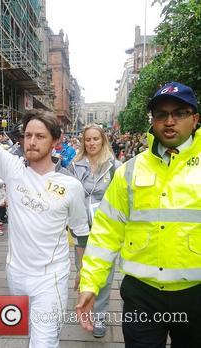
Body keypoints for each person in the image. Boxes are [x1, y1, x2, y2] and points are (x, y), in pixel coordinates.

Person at [0, 55, 89, 347]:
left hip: (51, 279)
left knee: (42, 343)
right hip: (15, 275)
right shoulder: (13, 170)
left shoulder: (71, 187)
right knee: (23, 334)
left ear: (56, 142)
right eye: (27, 135)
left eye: (40, 136)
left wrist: (84, 275)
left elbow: (81, 234)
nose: (31, 141)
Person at [76, 82, 201, 348]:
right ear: (152, 121)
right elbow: (105, 233)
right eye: (161, 114)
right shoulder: (129, 171)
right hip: (142, 297)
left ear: (195, 118)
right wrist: (90, 283)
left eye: (179, 113)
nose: (169, 121)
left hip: (196, 295)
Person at [68, 124, 121, 338]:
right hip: (81, 229)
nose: (91, 143)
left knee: (104, 275)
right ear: (83, 142)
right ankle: (86, 310)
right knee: (82, 272)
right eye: (87, 139)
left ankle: (99, 316)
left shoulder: (114, 166)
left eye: (95, 139)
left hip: (105, 230)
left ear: (103, 141)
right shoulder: (74, 166)